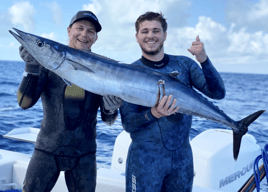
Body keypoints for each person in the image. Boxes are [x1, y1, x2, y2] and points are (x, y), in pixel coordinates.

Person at [120, 12, 226, 192]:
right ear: (137, 37)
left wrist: (204, 60)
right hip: (144, 161)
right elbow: (128, 123)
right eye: (144, 31)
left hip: (182, 160)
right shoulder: (129, 73)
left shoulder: (184, 65)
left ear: (165, 35)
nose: (150, 35)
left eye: (156, 30)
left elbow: (217, 93)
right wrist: (153, 114)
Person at [18, 11, 122, 192]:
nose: (84, 34)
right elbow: (24, 103)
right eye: (80, 28)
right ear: (68, 30)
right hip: (47, 149)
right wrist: (31, 66)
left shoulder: (104, 69)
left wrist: (111, 108)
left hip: (85, 153)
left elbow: (108, 119)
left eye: (90, 31)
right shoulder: (47, 62)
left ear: (96, 38)